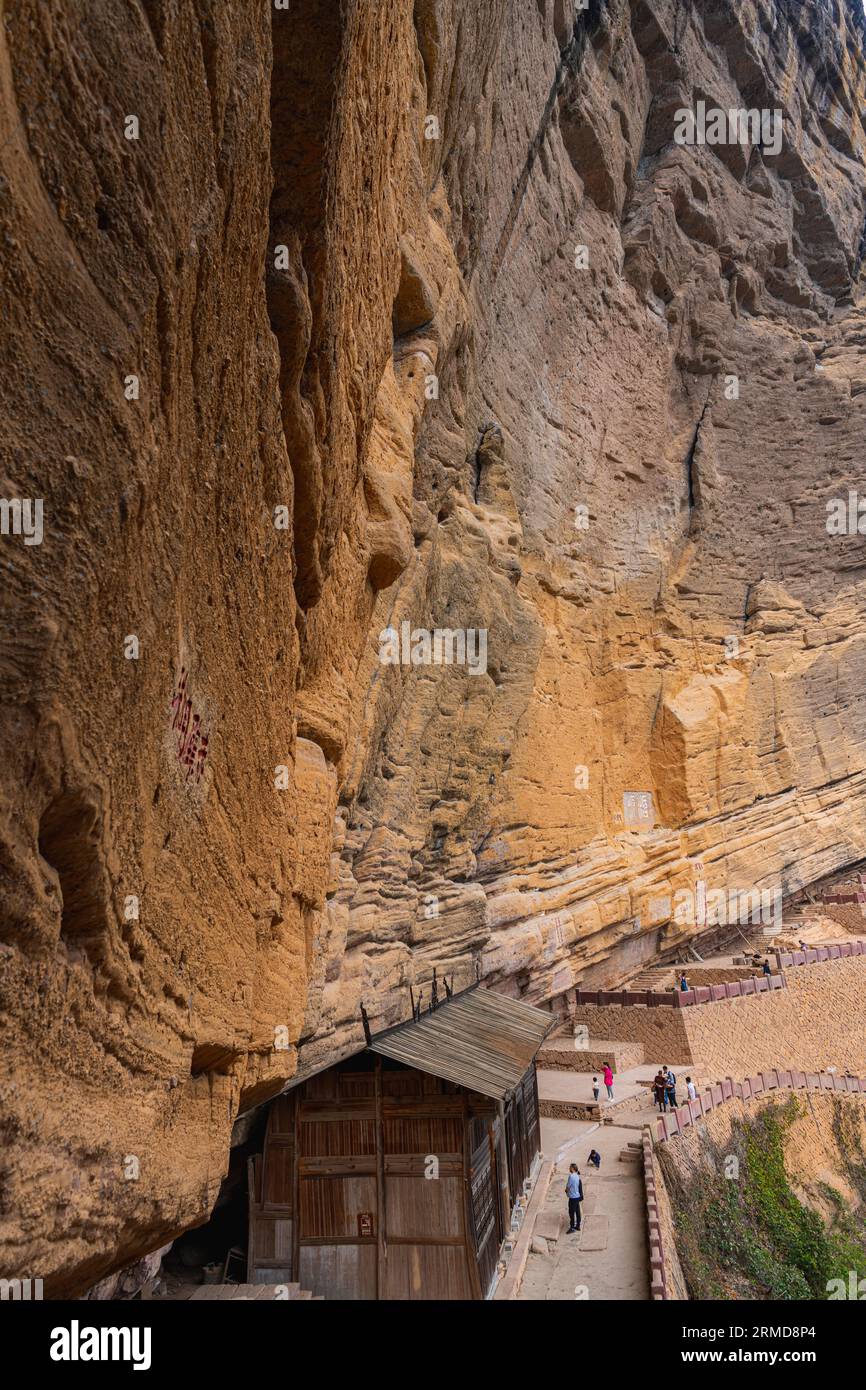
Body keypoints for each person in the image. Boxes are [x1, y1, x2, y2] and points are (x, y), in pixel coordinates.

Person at [565, 1164, 583, 1233]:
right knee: (577, 1211)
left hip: (572, 1197)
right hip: (577, 1196)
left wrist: (566, 1191)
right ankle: (578, 1225)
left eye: (570, 1167)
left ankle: (572, 1227)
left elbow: (568, 1186)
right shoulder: (577, 1176)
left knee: (571, 1212)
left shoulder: (571, 1176)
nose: (569, 1168)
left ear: (572, 1168)